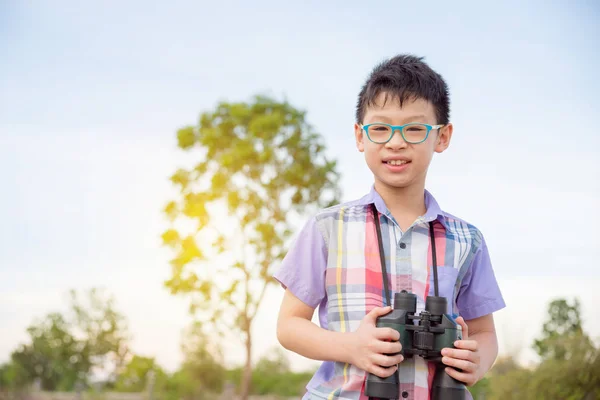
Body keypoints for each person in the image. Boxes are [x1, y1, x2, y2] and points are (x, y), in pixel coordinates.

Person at [273, 54, 505, 400]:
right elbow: (289, 326)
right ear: (360, 136)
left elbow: (485, 333)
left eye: (414, 129)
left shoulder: (467, 240)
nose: (396, 142)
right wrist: (352, 347)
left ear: (442, 137)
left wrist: (477, 361)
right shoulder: (328, 228)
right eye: (380, 128)